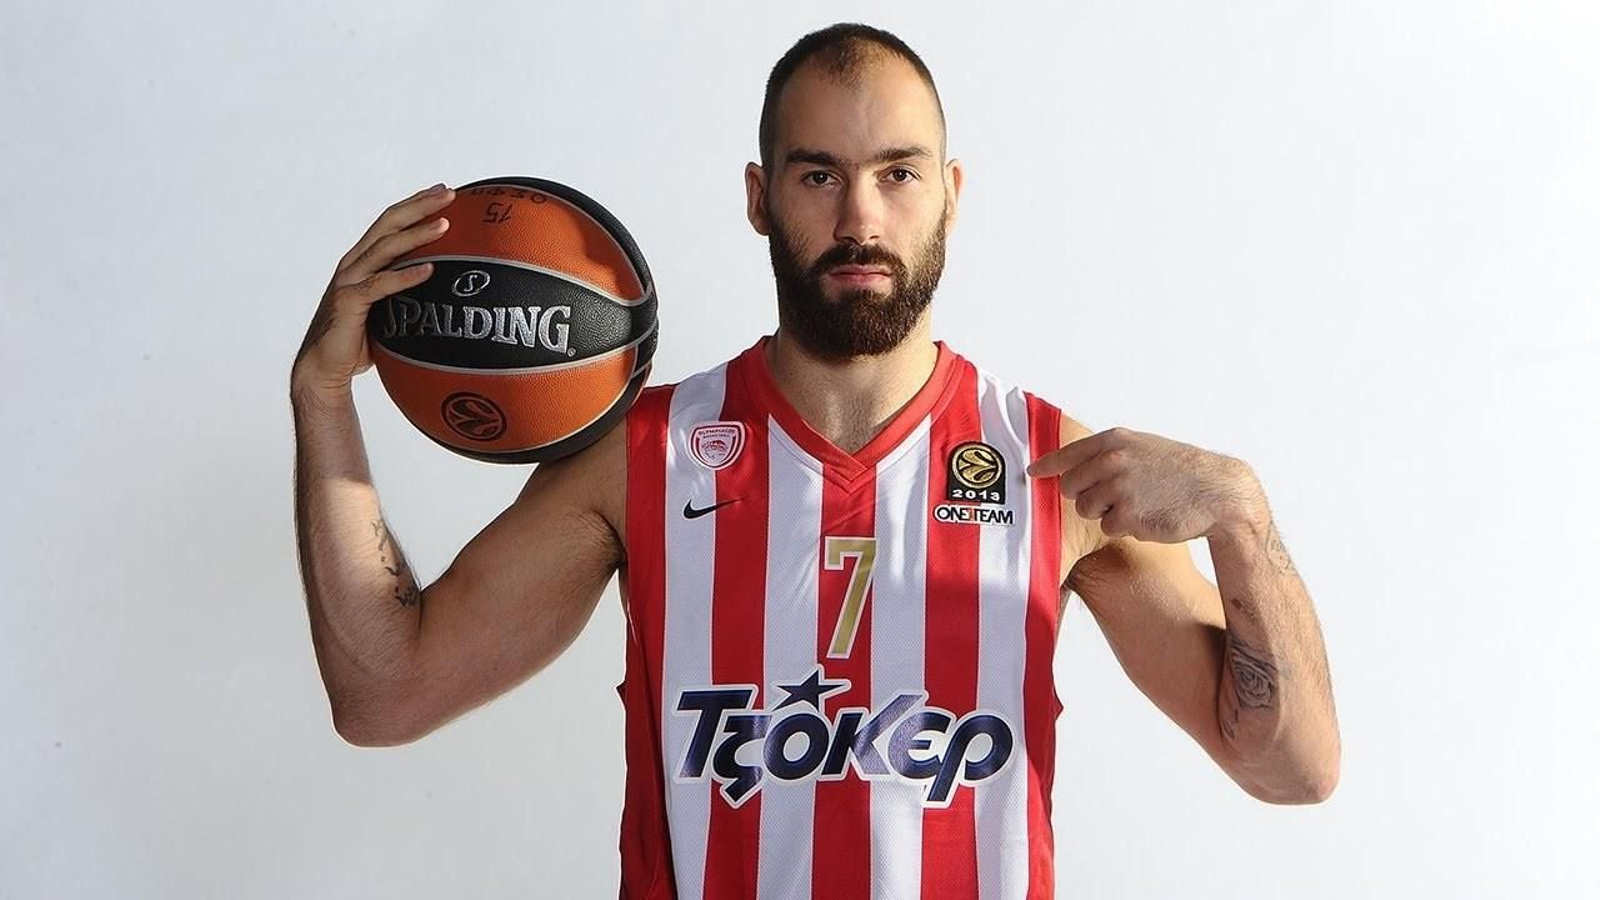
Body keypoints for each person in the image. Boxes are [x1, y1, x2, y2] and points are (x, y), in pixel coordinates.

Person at [290, 21, 1340, 900]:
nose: (858, 218)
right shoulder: (639, 457)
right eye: (817, 175)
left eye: (896, 174)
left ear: (951, 193)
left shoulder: (1053, 470)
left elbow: (1291, 768)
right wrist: (325, 399)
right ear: (759, 197)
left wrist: (1243, 521)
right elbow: (388, 696)